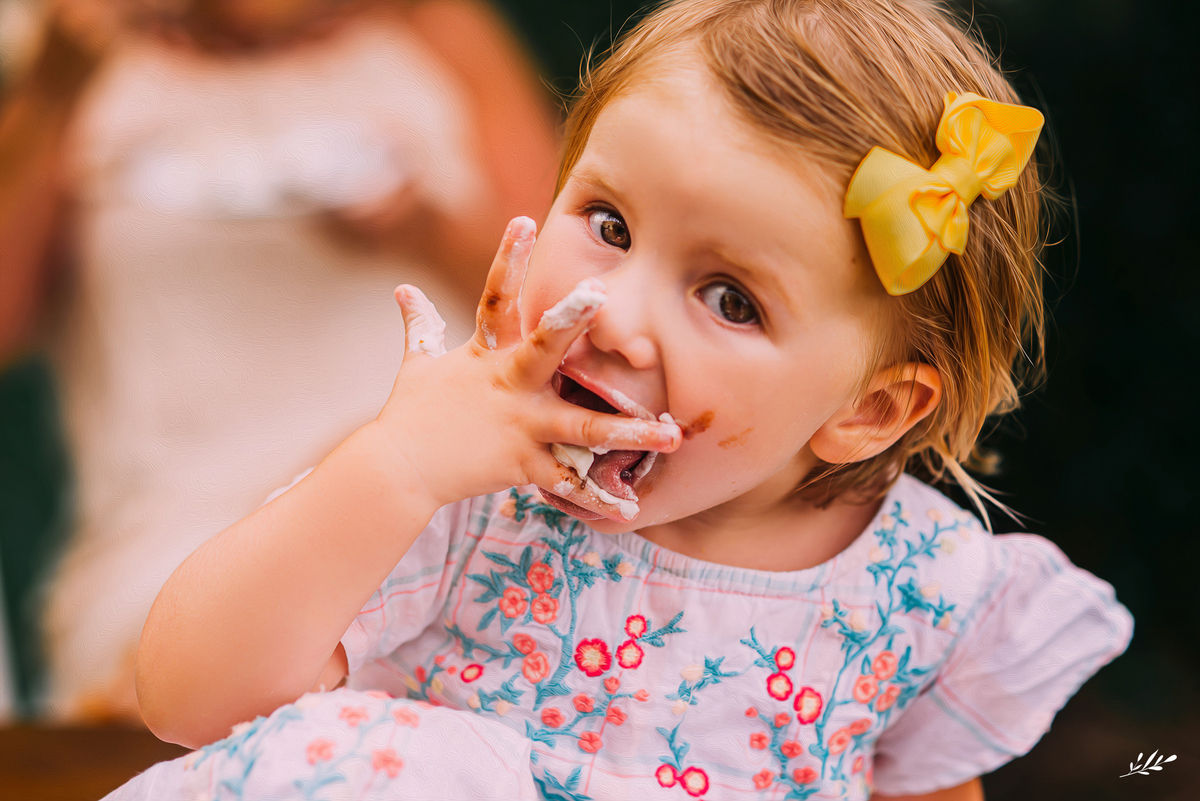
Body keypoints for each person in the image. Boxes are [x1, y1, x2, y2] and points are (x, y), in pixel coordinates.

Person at [115, 0, 1132, 798]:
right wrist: (395, 467)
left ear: (869, 410)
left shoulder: (921, 585)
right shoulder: (469, 489)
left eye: (730, 299)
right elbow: (186, 699)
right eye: (606, 222)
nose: (611, 311)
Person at [0, 0, 557, 721]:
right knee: (205, 688)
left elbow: (559, 302)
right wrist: (51, 93)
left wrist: (426, 228)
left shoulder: (434, 24)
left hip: (431, 492)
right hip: (170, 534)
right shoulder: (73, 53)